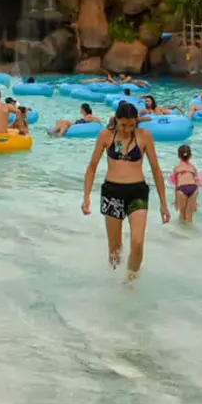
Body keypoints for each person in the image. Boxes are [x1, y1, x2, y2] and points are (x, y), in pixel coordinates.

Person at [82, 102, 170, 280]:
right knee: (115, 249)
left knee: (137, 243)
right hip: (112, 192)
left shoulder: (144, 136)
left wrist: (163, 204)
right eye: (123, 125)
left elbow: (156, 170)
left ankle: (130, 283)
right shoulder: (106, 135)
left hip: (137, 192)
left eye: (132, 125)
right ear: (116, 120)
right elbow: (92, 167)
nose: (127, 129)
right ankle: (113, 285)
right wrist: (86, 197)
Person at [172, 144, 202, 224]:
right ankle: (191, 235)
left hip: (182, 188)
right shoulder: (193, 167)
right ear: (190, 156)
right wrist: (195, 201)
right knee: (190, 216)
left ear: (179, 156)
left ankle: (181, 233)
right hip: (194, 188)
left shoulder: (177, 168)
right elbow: (196, 181)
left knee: (182, 214)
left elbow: (176, 184)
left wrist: (176, 200)